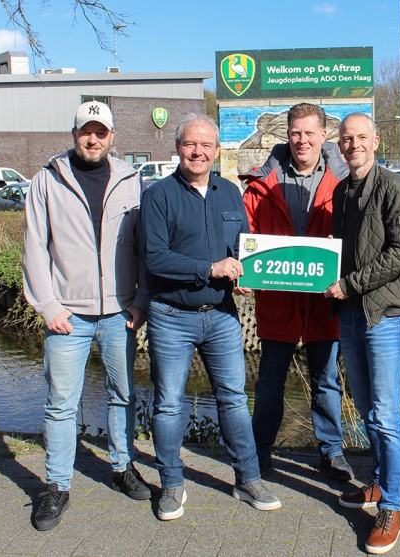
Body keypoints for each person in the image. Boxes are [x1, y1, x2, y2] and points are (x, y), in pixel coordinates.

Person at [139, 114, 281, 521]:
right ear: (178, 147)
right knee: (168, 405)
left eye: (206, 145)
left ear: (217, 150)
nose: (198, 151)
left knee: (234, 399)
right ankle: (171, 485)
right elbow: (155, 257)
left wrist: (244, 272)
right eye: (190, 144)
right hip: (171, 315)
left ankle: (248, 479)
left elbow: (243, 246)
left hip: (221, 314)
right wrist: (211, 269)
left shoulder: (230, 192)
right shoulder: (159, 195)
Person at [22, 100, 152, 531]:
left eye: (100, 132)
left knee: (123, 395)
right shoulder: (46, 181)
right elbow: (35, 247)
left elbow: (145, 249)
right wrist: (48, 305)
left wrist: (140, 301)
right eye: (85, 131)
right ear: (73, 133)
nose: (92, 139)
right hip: (68, 316)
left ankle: (121, 467)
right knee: (61, 404)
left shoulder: (132, 181)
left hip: (120, 313)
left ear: (112, 136)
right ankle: (56, 486)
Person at [324, 113, 400, 555]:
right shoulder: (343, 190)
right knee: (365, 408)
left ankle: (393, 507)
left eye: (361, 137)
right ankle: (381, 485)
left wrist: (351, 284)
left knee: (384, 413)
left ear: (376, 141)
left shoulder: (395, 188)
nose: (353, 145)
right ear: (339, 145)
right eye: (346, 139)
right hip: (349, 313)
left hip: (383, 314)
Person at [240, 103, 352, 481]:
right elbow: (246, 233)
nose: (302, 141)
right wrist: (242, 267)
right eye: (295, 133)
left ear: (324, 135)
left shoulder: (346, 181)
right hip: (277, 299)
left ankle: (332, 452)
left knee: (325, 380)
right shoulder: (261, 183)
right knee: (269, 380)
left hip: (325, 300)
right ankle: (260, 449)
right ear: (286, 135)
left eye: (309, 133)